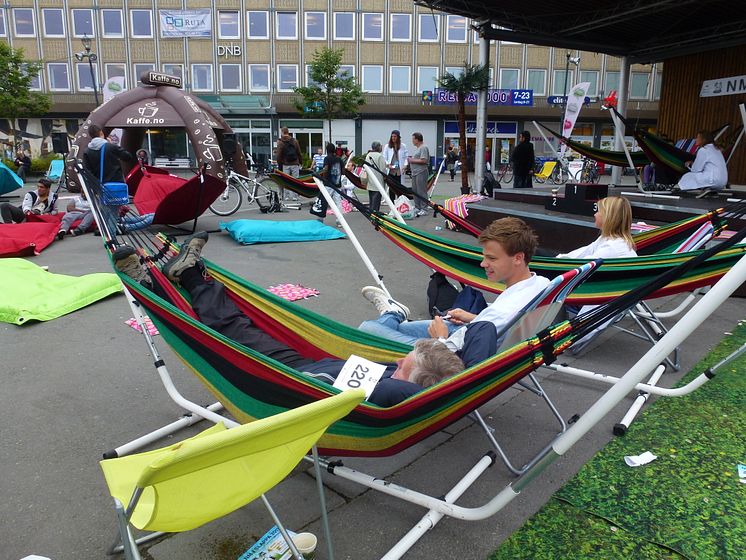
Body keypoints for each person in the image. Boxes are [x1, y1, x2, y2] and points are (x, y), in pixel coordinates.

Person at [112, 232, 466, 408]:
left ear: (410, 380)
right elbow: (405, 371)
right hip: (300, 365)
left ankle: (173, 283)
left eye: (404, 365)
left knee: (226, 330)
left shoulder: (396, 391)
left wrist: (415, 361)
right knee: (238, 324)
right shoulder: (401, 380)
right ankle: (176, 281)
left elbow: (403, 383)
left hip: (283, 378)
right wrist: (415, 358)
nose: (398, 362)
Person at [358, 217, 551, 352]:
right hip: (472, 332)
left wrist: (440, 338)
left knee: (367, 331)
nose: (483, 264)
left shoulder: (502, 312)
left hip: (451, 352)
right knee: (393, 330)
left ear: (518, 258)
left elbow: (451, 352)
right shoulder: (541, 284)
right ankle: (393, 315)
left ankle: (393, 313)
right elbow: (500, 326)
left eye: (491, 258)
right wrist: (473, 318)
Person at [556, 196, 637, 259]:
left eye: (598, 211)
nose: (595, 214)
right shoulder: (606, 238)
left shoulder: (612, 247)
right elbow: (586, 251)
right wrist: (560, 258)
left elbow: (586, 264)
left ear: (608, 217)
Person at [675, 130, 728, 195]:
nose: (696, 139)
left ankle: (704, 188)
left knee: (687, 176)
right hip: (722, 182)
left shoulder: (703, 150)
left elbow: (696, 169)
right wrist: (693, 162)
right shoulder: (716, 149)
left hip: (713, 180)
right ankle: (708, 189)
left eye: (698, 137)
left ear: (704, 139)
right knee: (698, 175)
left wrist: (689, 164)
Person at [310, 143, 342, 225]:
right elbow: (343, 171)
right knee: (338, 203)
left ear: (327, 150)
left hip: (328, 184)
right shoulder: (339, 159)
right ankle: (340, 221)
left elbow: (326, 169)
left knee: (324, 201)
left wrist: (323, 178)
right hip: (338, 184)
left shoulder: (327, 158)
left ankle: (320, 219)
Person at [275, 127, 302, 201]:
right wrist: (300, 162)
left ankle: (286, 196)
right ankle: (295, 196)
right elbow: (299, 153)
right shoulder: (294, 141)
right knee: (295, 180)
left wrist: (279, 164)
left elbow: (279, 155)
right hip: (295, 163)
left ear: (282, 132)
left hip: (285, 164)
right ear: (288, 132)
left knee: (286, 180)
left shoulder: (280, 142)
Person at [408, 132, 430, 217]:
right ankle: (417, 207)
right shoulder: (418, 148)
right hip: (415, 172)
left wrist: (411, 160)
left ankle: (424, 208)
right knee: (415, 191)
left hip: (421, 172)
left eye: (413, 139)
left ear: (417, 139)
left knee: (421, 191)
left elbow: (424, 160)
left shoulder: (423, 147)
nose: (412, 141)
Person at [365, 141, 388, 213]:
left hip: (370, 181)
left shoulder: (368, 155)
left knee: (371, 200)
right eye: (381, 146)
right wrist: (386, 178)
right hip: (378, 181)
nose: (381, 147)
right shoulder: (379, 156)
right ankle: (375, 215)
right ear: (378, 147)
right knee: (376, 201)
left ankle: (371, 214)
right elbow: (383, 169)